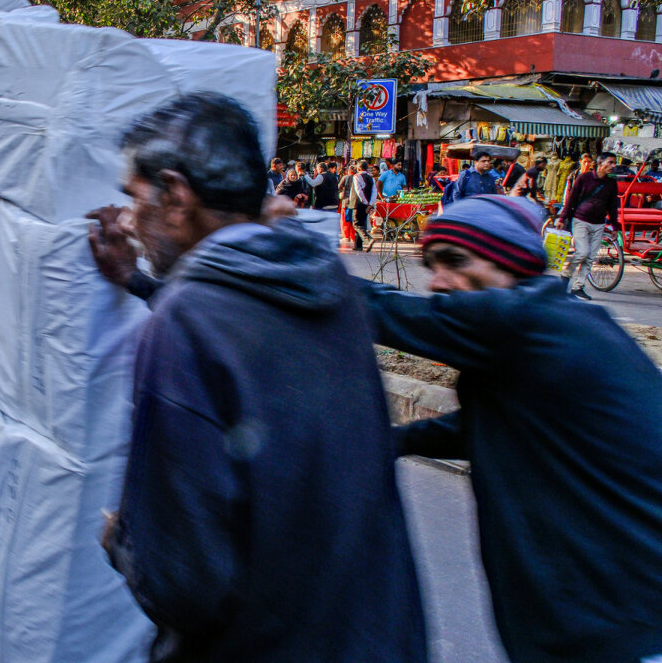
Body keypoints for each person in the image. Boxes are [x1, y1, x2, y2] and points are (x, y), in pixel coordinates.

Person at [97, 93, 427, 663]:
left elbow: (184, 584)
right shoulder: (325, 281)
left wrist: (122, 540)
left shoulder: (185, 326)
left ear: (176, 195)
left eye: (133, 197)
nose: (127, 219)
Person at [358, 196, 662, 663]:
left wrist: (267, 244)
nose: (437, 282)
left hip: (614, 627)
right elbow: (494, 423)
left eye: (455, 262)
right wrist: (391, 440)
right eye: (432, 264)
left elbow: (383, 311)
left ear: (509, 263)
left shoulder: (525, 322)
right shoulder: (563, 325)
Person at [556, 151, 619, 301]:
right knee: (582, 252)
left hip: (599, 224)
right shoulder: (584, 178)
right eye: (610, 162)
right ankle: (565, 277)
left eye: (614, 163)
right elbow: (571, 200)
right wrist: (562, 217)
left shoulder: (611, 183)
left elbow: (612, 206)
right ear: (600, 163)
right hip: (580, 220)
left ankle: (578, 287)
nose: (613, 166)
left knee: (590, 257)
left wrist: (615, 226)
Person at [350, 160, 377, 251]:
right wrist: (370, 204)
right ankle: (358, 245)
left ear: (359, 168)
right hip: (367, 204)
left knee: (356, 224)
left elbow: (359, 191)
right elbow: (374, 192)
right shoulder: (371, 178)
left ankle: (368, 239)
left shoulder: (357, 176)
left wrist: (365, 202)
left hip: (358, 203)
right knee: (362, 223)